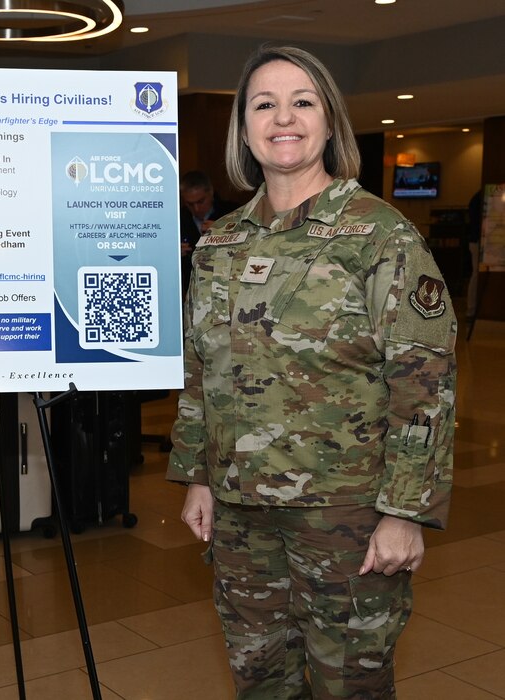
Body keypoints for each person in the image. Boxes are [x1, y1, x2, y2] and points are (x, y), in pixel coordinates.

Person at [167, 45, 457, 698]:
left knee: (347, 685)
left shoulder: (381, 238)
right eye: (263, 104)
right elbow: (200, 372)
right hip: (241, 520)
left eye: (303, 102)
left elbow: (425, 388)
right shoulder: (221, 243)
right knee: (260, 681)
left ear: (330, 123)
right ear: (245, 128)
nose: (283, 117)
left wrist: (404, 512)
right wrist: (197, 478)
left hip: (346, 521)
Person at [179, 170, 238, 295]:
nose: (196, 208)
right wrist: (175, 255)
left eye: (200, 201)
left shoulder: (233, 214)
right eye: (190, 204)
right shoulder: (177, 221)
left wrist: (223, 231)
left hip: (228, 288)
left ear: (211, 193)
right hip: (191, 291)